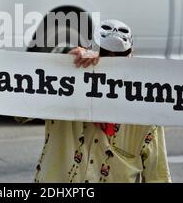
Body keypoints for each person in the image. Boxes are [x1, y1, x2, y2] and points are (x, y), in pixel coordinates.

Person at [25, 19, 172, 183]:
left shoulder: (145, 112)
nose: (111, 61)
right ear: (89, 51)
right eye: (104, 53)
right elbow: (20, 111)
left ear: (131, 56)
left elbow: (158, 177)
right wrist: (61, 69)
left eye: (120, 55)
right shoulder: (64, 89)